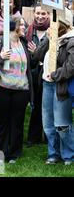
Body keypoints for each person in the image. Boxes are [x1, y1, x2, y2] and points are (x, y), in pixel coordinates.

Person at [0, 16, 34, 163]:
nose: (25, 27)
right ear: (14, 27)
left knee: (17, 123)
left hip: (22, 90)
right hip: (2, 89)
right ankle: (0, 153)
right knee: (1, 123)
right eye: (22, 25)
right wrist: (0, 56)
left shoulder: (23, 43)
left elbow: (28, 65)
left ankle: (14, 153)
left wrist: (34, 54)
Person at [33, 19, 74, 165]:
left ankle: (69, 155)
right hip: (47, 85)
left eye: (54, 25)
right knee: (48, 123)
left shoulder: (70, 41)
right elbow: (36, 56)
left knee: (62, 123)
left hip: (60, 86)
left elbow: (71, 67)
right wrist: (48, 40)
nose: (50, 27)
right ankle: (53, 154)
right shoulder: (51, 39)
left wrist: (55, 75)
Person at [25, 5, 50, 147]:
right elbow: (30, 57)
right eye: (38, 13)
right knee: (35, 106)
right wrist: (36, 55)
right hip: (32, 74)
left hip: (45, 73)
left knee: (47, 106)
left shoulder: (52, 30)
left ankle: (47, 136)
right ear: (34, 13)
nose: (40, 16)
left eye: (44, 13)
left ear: (48, 15)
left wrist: (36, 53)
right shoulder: (29, 31)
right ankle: (33, 136)